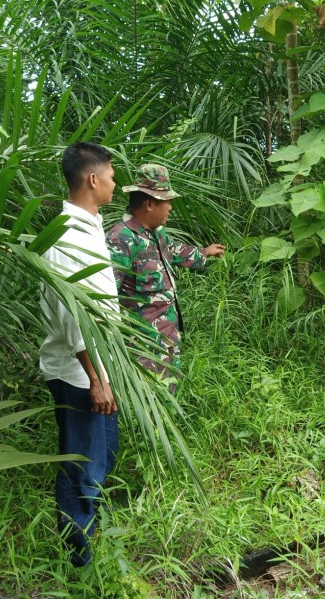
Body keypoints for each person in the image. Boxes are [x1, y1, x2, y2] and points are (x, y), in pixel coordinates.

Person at [39, 141, 119, 567]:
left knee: (102, 457)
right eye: (111, 176)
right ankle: (78, 561)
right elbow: (74, 317)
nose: (115, 183)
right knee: (82, 467)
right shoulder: (68, 237)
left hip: (97, 370)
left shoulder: (90, 226)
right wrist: (96, 378)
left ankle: (91, 541)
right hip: (79, 374)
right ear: (92, 179)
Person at [106, 164, 225, 381]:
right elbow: (106, 296)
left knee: (170, 393)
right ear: (150, 204)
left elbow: (173, 250)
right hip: (143, 348)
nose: (170, 207)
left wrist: (204, 253)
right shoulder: (121, 239)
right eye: (167, 201)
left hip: (167, 339)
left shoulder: (156, 233)